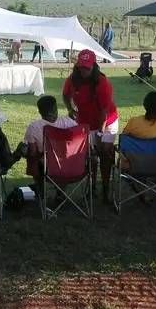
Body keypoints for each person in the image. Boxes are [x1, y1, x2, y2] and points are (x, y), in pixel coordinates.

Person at [62, 49, 119, 201]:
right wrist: (70, 109)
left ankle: (106, 189)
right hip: (86, 122)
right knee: (90, 155)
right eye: (81, 67)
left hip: (107, 122)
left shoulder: (102, 82)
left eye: (87, 67)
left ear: (94, 65)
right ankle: (92, 187)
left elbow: (104, 113)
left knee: (105, 153)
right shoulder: (72, 80)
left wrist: (100, 134)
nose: (84, 70)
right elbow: (65, 95)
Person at [24, 95, 77, 179]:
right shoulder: (70, 123)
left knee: (33, 159)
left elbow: (33, 152)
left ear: (40, 112)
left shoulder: (34, 127)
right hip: (71, 164)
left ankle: (40, 188)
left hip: (47, 167)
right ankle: (61, 190)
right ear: (56, 109)